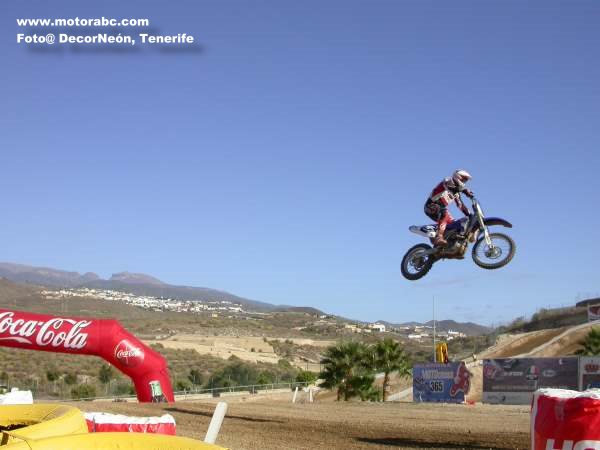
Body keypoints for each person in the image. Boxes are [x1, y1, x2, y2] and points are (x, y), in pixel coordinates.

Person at [424, 169, 474, 247]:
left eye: (465, 180)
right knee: (443, 212)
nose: (464, 182)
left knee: (456, 224)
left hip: (441, 208)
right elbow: (450, 185)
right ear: (458, 176)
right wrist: (465, 191)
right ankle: (439, 237)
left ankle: (449, 242)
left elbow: (460, 205)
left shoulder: (456, 193)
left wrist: (470, 215)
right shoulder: (448, 180)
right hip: (430, 206)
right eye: (463, 179)